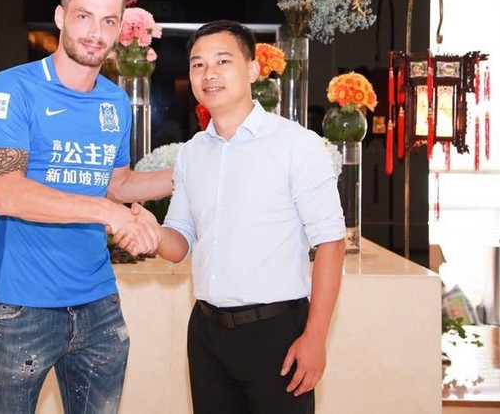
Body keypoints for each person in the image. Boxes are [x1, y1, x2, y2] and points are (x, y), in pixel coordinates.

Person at [126, 20, 345, 413]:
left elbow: (331, 242)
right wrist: (151, 233)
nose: (208, 73)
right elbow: (179, 242)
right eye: (198, 64)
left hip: (276, 333)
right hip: (206, 334)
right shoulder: (192, 152)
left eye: (222, 61)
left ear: (253, 69)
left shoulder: (297, 145)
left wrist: (315, 338)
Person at [0, 0, 171, 414]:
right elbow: (7, 193)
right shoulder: (12, 88)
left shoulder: (115, 101)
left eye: (109, 21)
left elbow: (117, 184)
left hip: (99, 304)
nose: (96, 33)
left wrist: (189, 171)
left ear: (121, 29)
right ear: (61, 16)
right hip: (22, 307)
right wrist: (110, 214)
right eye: (84, 16)